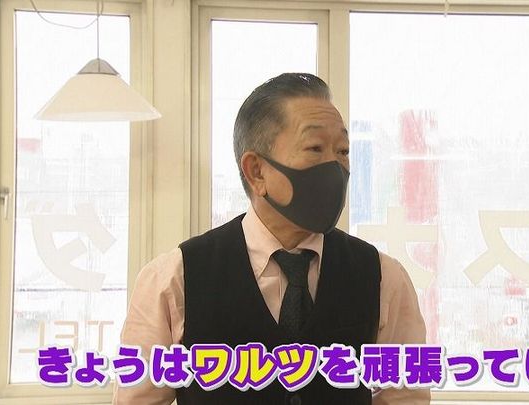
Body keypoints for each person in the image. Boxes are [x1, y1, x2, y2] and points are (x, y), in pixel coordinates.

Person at [113, 73, 430, 404]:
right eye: (315, 148)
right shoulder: (175, 279)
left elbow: (405, 397)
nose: (335, 167)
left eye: (343, 151)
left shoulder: (382, 277)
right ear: (256, 171)